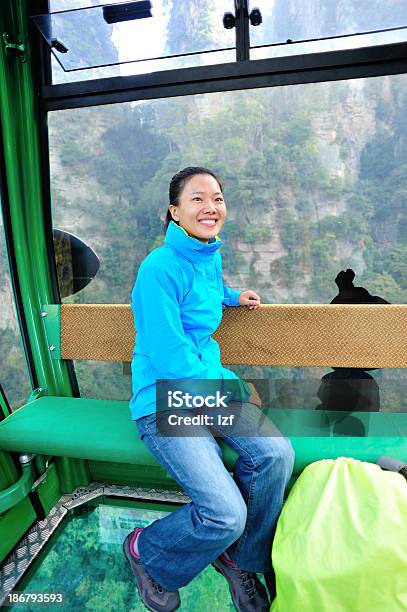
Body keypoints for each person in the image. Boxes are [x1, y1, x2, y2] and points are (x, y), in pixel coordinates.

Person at [123, 166, 295, 612]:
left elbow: (206, 289)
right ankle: (148, 550)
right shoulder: (158, 268)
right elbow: (171, 360)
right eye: (197, 199)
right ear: (174, 212)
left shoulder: (206, 254)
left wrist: (233, 296)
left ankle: (239, 559)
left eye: (217, 198)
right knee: (225, 513)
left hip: (205, 388)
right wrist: (232, 383)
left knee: (277, 455)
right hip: (165, 397)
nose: (210, 207)